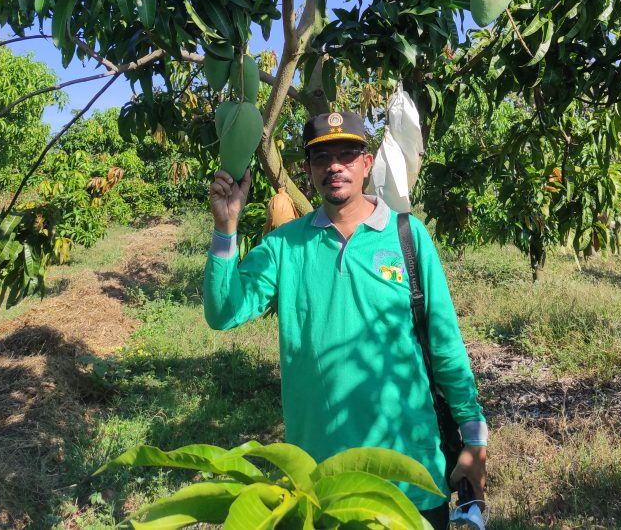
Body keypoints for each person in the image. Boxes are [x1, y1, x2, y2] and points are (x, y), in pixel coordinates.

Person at [205, 111, 487, 527]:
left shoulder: (408, 237)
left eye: (348, 154)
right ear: (309, 169)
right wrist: (225, 226)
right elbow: (224, 311)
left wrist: (475, 437)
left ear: (367, 164)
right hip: (320, 480)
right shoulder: (286, 244)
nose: (335, 166)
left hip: (409, 476)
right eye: (322, 158)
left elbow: (444, 343)